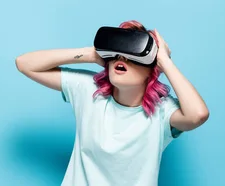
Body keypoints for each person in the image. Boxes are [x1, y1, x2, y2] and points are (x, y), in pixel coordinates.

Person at [15, 20, 210, 186]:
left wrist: (165, 62)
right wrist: (91, 54)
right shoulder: (88, 90)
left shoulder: (162, 111)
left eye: (133, 54)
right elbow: (25, 63)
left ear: (152, 69)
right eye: (117, 53)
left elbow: (198, 114)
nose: (122, 58)